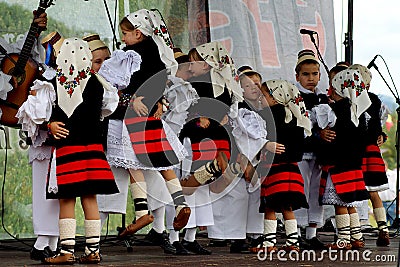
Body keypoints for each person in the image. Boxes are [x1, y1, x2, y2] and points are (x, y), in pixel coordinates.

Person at [111, 9, 192, 241]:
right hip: (153, 116)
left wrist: (131, 99)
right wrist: (157, 102)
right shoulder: (157, 54)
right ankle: (180, 204)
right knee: (162, 162)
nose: (123, 38)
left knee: (133, 163)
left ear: (137, 33)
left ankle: (142, 212)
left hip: (134, 115)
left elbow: (123, 84)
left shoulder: (130, 54)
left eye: (125, 34)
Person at [43, 38, 119, 264]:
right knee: (90, 198)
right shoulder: (97, 82)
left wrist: (50, 124)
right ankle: (92, 250)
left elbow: (47, 112)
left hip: (68, 148)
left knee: (66, 200)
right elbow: (107, 109)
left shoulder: (56, 82)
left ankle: (66, 252)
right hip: (93, 148)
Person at [14, 28, 62, 263]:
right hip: (46, 145)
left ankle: (51, 242)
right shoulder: (46, 78)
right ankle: (42, 242)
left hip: (63, 145)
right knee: (45, 191)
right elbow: (33, 112)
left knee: (58, 194)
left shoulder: (69, 79)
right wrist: (49, 124)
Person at [316, 68, 371, 250]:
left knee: (340, 203)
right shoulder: (361, 112)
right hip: (354, 165)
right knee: (350, 204)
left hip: (338, 164)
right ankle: (357, 237)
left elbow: (316, 125)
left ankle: (343, 240)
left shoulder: (333, 111)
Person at [256, 80, 310, 253]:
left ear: (275, 97)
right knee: (288, 206)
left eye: (264, 95)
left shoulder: (267, 115)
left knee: (270, 205)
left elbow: (257, 136)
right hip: (292, 168)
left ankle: (269, 244)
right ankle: (293, 242)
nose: (261, 98)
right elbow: (299, 147)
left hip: (274, 167)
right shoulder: (295, 117)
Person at [349, 64, 390, 246]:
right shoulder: (375, 100)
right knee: (373, 193)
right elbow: (377, 126)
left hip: (357, 151)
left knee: (353, 192)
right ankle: (383, 229)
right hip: (371, 150)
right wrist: (381, 135)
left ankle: (356, 235)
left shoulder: (350, 100)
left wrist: (381, 135)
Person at [292, 49, 326, 249]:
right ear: (297, 76)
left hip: (319, 153)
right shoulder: (293, 97)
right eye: (306, 74)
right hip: (300, 150)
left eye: (314, 74)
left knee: (315, 191)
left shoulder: (322, 98)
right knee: (300, 189)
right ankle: (295, 232)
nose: (311, 78)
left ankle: (311, 233)